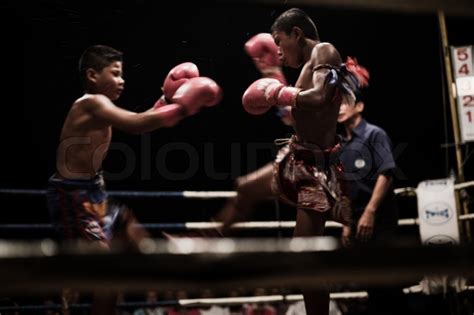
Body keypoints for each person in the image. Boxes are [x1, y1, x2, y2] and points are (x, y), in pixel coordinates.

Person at [46, 44, 222, 315]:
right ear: (93, 76)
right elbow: (137, 123)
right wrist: (182, 107)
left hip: (94, 192)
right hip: (73, 196)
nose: (122, 80)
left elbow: (143, 121)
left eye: (122, 74)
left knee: (132, 233)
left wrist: (165, 102)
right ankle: (69, 284)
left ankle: (160, 254)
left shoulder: (102, 106)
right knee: (109, 275)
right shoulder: (91, 103)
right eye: (115, 73)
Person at [216, 8, 368, 315]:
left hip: (315, 168)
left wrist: (275, 91)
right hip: (294, 156)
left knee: (305, 260)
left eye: (279, 42)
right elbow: (294, 112)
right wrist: (270, 75)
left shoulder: (325, 50)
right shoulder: (309, 67)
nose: (278, 52)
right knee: (245, 188)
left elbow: (319, 98)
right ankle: (203, 244)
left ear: (296, 34)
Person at [337, 62, 403, 315]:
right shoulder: (341, 144)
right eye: (338, 103)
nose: (340, 108)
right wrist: (346, 222)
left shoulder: (375, 134)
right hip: (357, 217)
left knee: (387, 280)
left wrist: (371, 212)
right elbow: (344, 185)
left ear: (360, 106)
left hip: (380, 214)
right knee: (370, 283)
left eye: (346, 102)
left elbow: (387, 173)